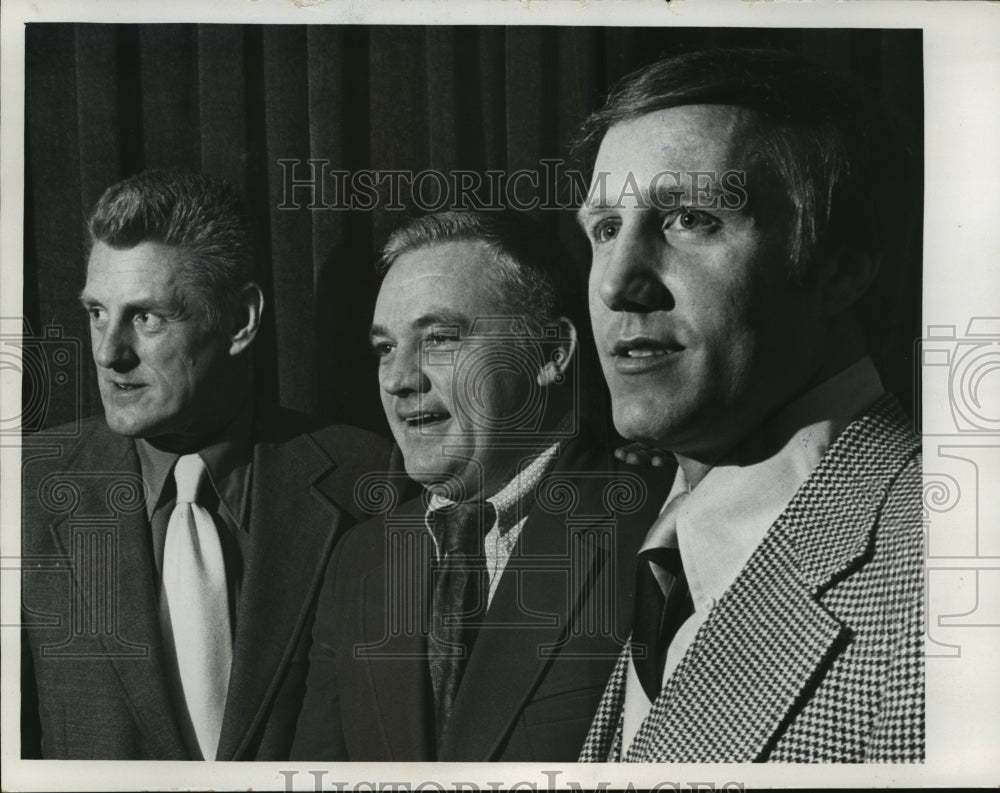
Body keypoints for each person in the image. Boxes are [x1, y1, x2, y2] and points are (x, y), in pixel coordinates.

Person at [574, 48, 923, 763]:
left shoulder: (946, 570)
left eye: (691, 218)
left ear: (841, 268)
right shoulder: (669, 558)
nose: (617, 283)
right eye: (605, 229)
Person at [21, 169, 393, 760]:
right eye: (96, 312)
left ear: (241, 321)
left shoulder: (369, 480)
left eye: (146, 317)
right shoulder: (24, 490)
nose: (107, 351)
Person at [290, 210, 668, 761]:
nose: (399, 380)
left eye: (439, 338)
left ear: (548, 353)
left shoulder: (655, 528)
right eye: (385, 348)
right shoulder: (360, 561)